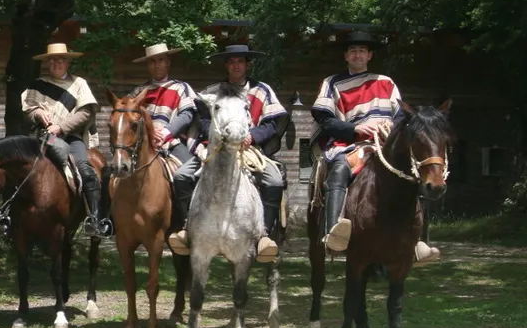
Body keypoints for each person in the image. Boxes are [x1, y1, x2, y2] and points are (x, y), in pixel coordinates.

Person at [312, 31, 439, 262]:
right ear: (346, 56)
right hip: (349, 144)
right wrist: (356, 129)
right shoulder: (332, 83)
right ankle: (333, 233)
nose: (357, 54)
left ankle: (420, 241)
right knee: (339, 169)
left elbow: (401, 117)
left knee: (417, 174)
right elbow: (324, 118)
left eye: (362, 51)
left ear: (369, 55)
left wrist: (389, 125)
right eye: (353, 51)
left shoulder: (385, 82)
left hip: (385, 145)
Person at [166, 44, 286, 262]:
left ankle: (263, 236)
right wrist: (216, 135)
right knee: (182, 176)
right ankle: (187, 228)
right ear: (226, 65)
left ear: (247, 64)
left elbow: (273, 124)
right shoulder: (211, 92)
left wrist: (253, 136)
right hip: (214, 150)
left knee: (275, 180)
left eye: (240, 61)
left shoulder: (262, 91)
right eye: (231, 62)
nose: (236, 66)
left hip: (250, 151)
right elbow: (202, 120)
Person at [21, 42, 109, 237]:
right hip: (40, 137)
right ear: (47, 63)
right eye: (52, 60)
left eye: (61, 60)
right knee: (18, 169)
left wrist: (60, 127)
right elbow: (28, 109)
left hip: (71, 138)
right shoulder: (37, 84)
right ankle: (11, 218)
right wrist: (37, 114)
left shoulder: (79, 84)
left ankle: (95, 219)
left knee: (86, 170)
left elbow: (85, 113)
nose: (57, 63)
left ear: (68, 62)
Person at [129, 42, 201, 239]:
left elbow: (187, 115)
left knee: (194, 173)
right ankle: (111, 221)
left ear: (168, 62)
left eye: (161, 60)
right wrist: (149, 133)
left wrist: (167, 131)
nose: (156, 65)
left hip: (172, 143)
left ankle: (192, 221)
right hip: (142, 146)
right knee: (116, 174)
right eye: (152, 61)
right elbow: (127, 119)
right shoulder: (138, 92)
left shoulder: (181, 88)